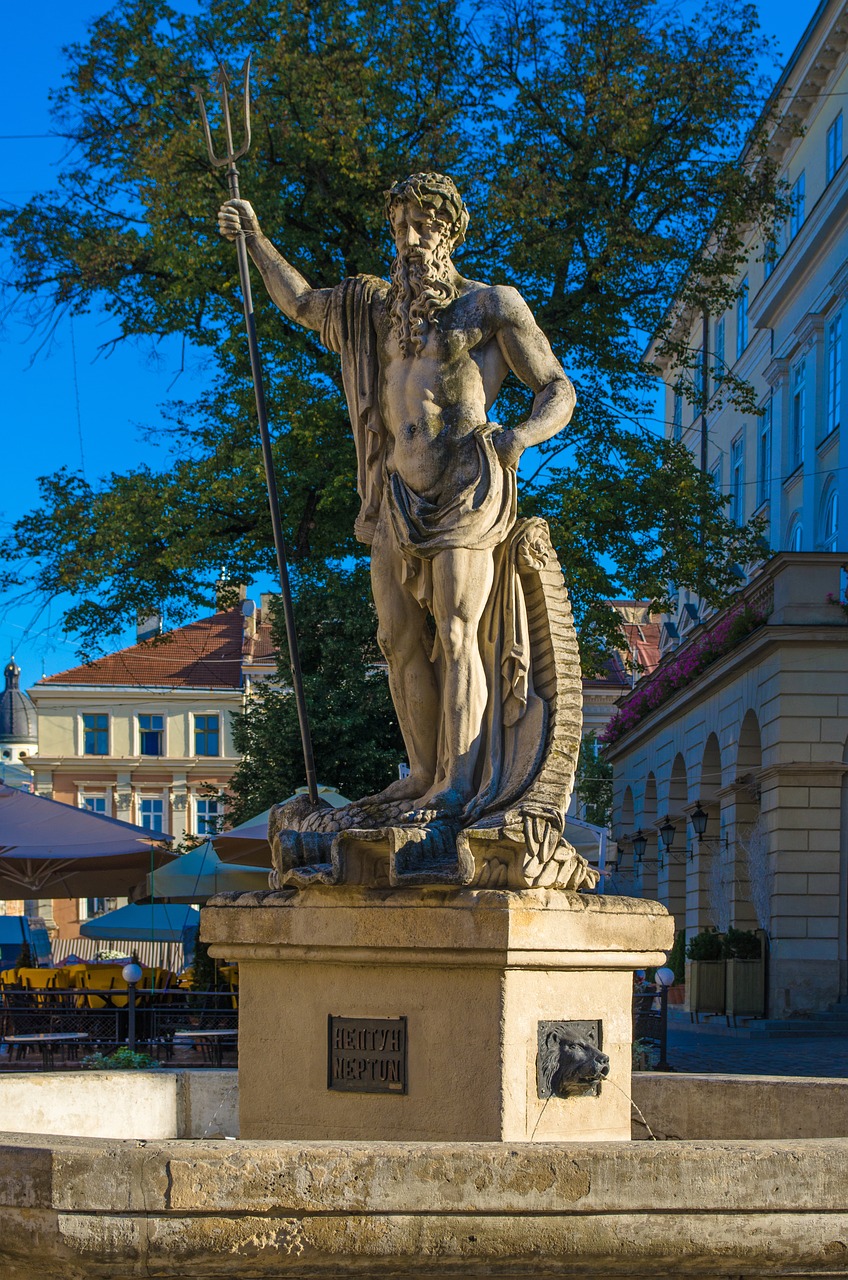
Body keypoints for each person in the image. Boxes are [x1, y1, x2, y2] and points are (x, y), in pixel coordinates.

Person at [218, 173, 575, 820]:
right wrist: (257, 240)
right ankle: (422, 776)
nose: (409, 240)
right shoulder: (375, 310)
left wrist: (521, 435)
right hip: (394, 496)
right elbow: (300, 303)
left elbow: (556, 386)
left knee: (459, 630)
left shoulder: (491, 305)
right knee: (397, 638)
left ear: (451, 232)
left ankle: (456, 786)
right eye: (400, 227)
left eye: (424, 227)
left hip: (467, 485)